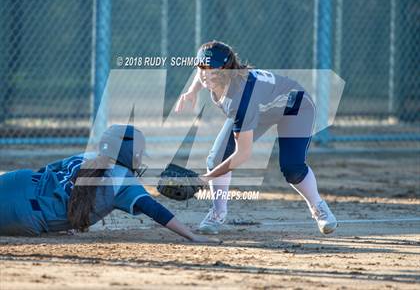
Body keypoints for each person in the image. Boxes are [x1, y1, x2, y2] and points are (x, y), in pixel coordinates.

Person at [176, 40, 337, 235]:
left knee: (292, 167)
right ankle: (218, 212)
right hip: (261, 109)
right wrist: (192, 91)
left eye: (213, 68)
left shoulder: (240, 99)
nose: (205, 73)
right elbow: (203, 73)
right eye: (202, 66)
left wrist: (205, 179)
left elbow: (243, 154)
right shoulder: (219, 79)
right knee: (216, 157)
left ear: (227, 69)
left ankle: (318, 206)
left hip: (295, 107)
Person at [0, 124, 217, 243]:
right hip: (24, 216)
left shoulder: (86, 155)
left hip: (15, 180)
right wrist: (192, 235)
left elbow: (47, 171)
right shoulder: (125, 181)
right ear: (129, 153)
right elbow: (155, 210)